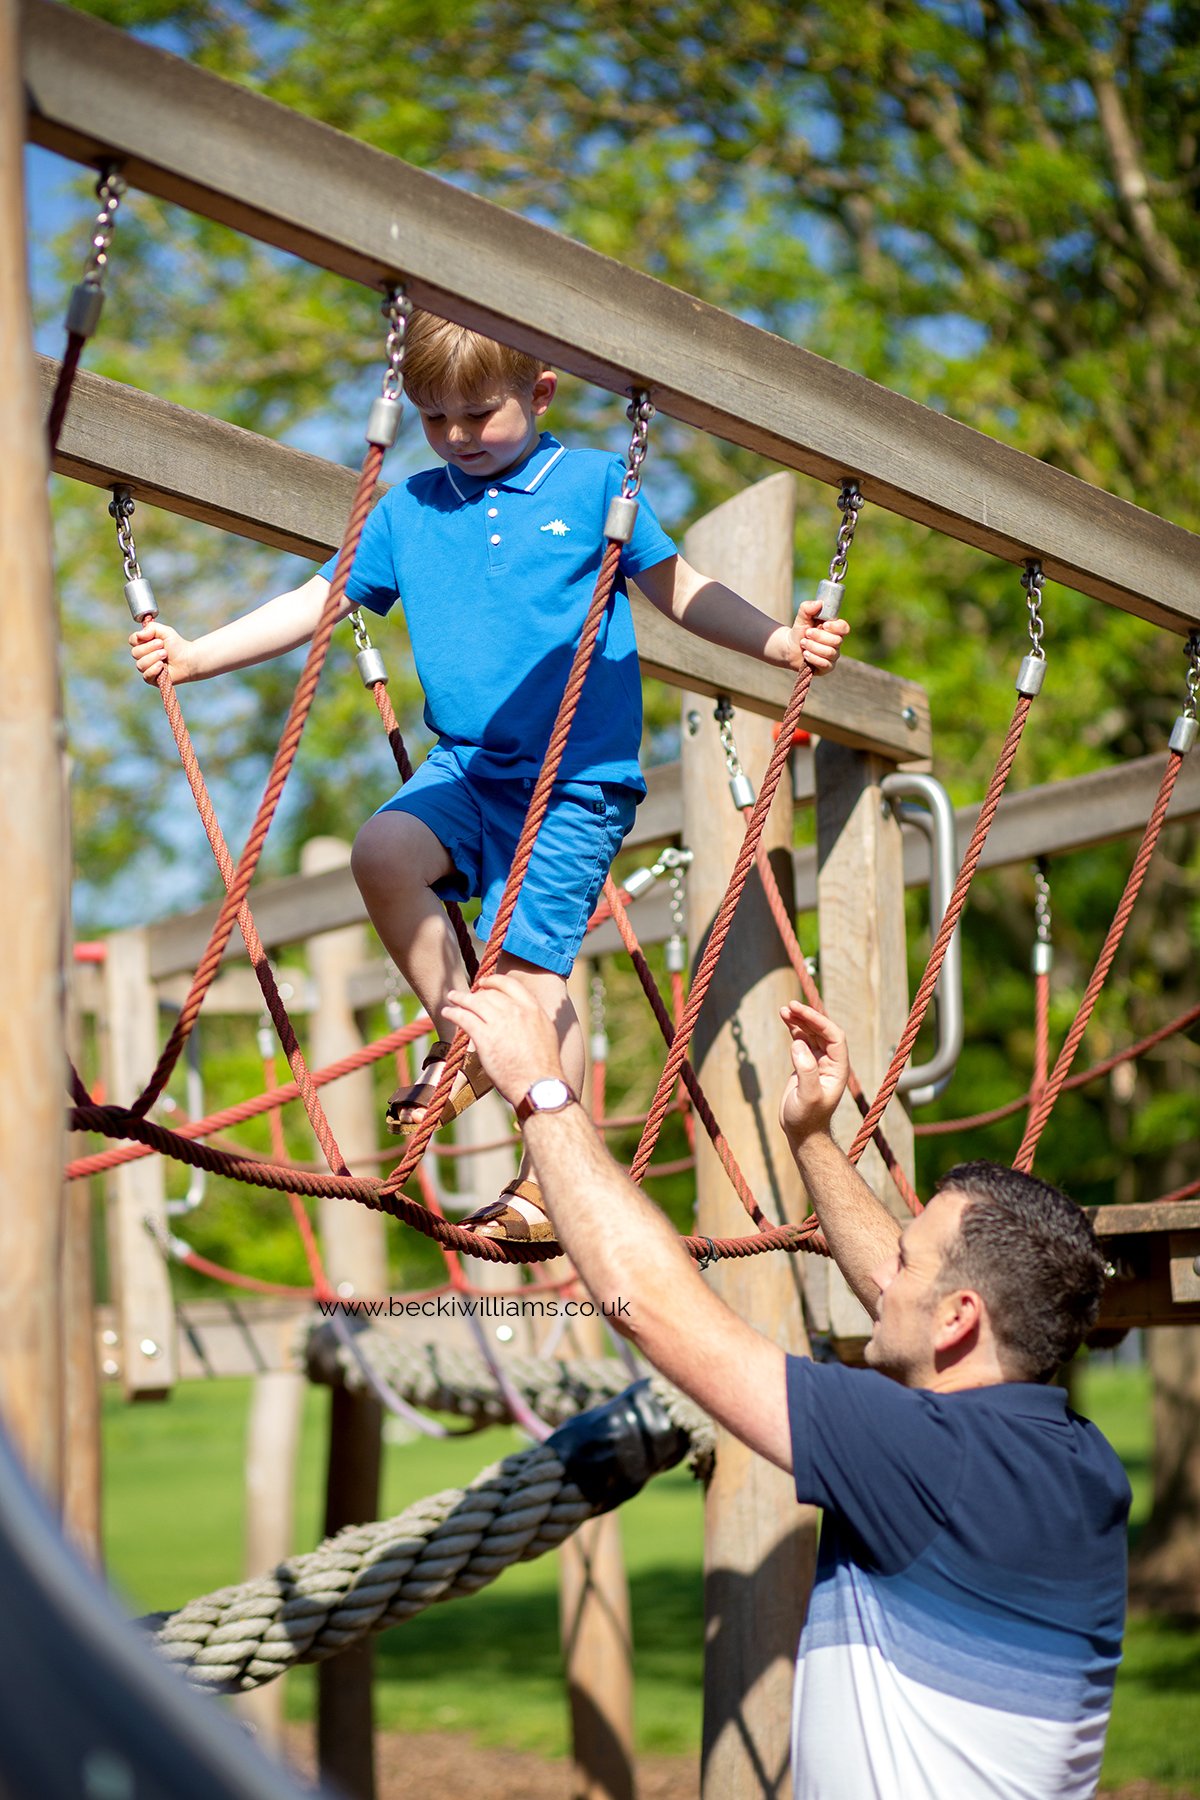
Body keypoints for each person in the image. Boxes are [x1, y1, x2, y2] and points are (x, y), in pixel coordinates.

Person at [129, 312, 848, 1241]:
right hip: (463, 766)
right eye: (435, 420)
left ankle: (547, 1181)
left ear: (539, 393)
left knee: (528, 971)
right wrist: (196, 655)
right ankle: (469, 1037)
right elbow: (318, 599)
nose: (458, 437)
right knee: (384, 851)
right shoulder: (410, 509)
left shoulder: (596, 484)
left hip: (574, 782)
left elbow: (680, 589)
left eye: (478, 413)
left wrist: (782, 640)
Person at [440, 977, 1131, 1800]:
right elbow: (902, 1288)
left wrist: (541, 1092)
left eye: (909, 1260)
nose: (885, 1273)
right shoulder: (1078, 1462)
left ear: (958, 1320)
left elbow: (655, 1306)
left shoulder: (918, 1454)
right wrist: (812, 1138)